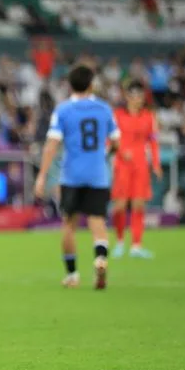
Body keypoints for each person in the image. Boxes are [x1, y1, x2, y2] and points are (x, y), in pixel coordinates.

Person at [34, 65, 121, 290]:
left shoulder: (63, 111)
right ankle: (100, 258)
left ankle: (72, 275)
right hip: (98, 174)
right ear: (92, 84)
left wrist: (42, 176)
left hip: (71, 175)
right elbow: (116, 143)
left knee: (69, 225)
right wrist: (106, 155)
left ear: (70, 85)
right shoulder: (104, 109)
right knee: (98, 223)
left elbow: (51, 145)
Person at [110, 80, 161, 259]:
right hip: (122, 164)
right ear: (127, 97)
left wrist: (156, 164)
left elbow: (153, 142)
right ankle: (120, 241)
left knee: (139, 204)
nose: (137, 99)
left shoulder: (149, 117)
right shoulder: (117, 115)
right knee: (120, 205)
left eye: (140, 96)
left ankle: (136, 245)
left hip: (140, 164)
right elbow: (109, 140)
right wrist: (122, 152)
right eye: (133, 96)